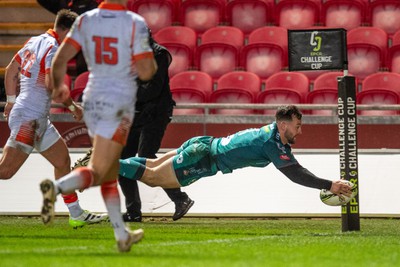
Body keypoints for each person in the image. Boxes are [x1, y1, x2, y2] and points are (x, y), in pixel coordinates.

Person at [39, 0, 157, 253]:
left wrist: (59, 87)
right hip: (118, 103)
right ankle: (56, 188)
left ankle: (120, 234)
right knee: (101, 170)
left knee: (110, 169)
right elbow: (147, 71)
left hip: (92, 99)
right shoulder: (134, 23)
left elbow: (59, 61)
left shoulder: (86, 20)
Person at [1, 9, 107, 228]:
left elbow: (12, 68)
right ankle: (76, 213)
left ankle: (75, 213)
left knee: (62, 161)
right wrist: (72, 106)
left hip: (35, 117)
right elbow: (52, 84)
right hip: (30, 120)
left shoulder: (35, 41)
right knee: (6, 171)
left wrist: (11, 100)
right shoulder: (53, 48)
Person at [116, 105, 353, 198]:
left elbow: (294, 167)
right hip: (205, 157)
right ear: (283, 125)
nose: (299, 131)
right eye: (297, 126)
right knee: (153, 178)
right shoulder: (272, 143)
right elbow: (295, 174)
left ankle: (108, 160)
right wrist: (329, 185)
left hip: (204, 144)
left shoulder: (272, 135)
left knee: (150, 165)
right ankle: (105, 163)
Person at [118, 30, 194, 222]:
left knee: (146, 157)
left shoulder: (159, 54)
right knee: (122, 162)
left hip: (156, 112)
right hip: (135, 112)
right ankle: (133, 211)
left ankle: (180, 199)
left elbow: (154, 89)